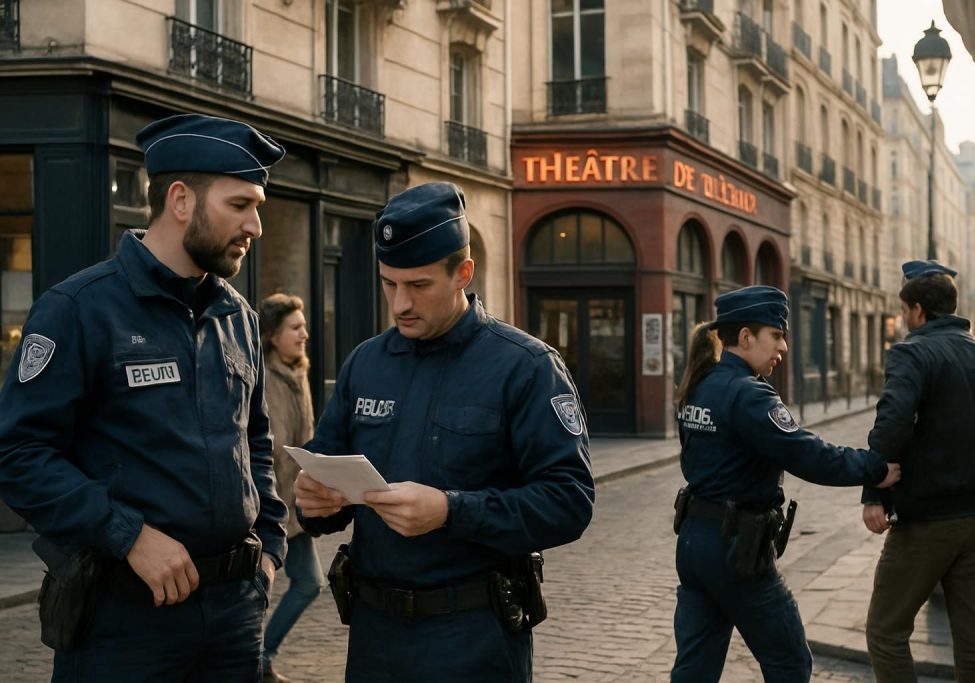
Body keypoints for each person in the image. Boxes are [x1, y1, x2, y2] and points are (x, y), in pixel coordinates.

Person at [0, 113, 288, 680]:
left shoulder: (240, 318)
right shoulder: (79, 308)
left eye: (258, 208)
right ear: (180, 200)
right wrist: (126, 534)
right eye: (240, 205)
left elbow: (254, 438)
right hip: (124, 620)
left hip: (234, 615)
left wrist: (271, 545)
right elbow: (18, 455)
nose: (255, 225)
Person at [293, 181, 595, 682]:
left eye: (419, 285)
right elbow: (326, 475)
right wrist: (316, 501)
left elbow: (568, 502)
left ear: (463, 273)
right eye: (389, 283)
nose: (400, 304)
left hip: (473, 637)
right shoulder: (365, 363)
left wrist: (451, 512)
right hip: (374, 637)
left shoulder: (525, 366)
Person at [671, 285, 901, 682]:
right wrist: (874, 468)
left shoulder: (701, 384)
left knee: (694, 669)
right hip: (734, 549)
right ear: (745, 337)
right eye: (776, 336)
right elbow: (808, 455)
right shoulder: (749, 394)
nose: (783, 348)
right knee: (789, 661)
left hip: (694, 542)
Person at [862, 260, 975, 682]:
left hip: (928, 521)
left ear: (917, 311)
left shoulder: (912, 353)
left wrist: (873, 492)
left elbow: (892, 424)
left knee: (885, 630)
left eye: (903, 310)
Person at [258, 293, 323, 683]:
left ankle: (260, 653)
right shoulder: (263, 379)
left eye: (303, 326)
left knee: (310, 582)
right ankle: (249, 657)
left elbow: (306, 441)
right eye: (295, 328)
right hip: (268, 507)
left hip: (295, 506)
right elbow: (269, 450)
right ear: (273, 337)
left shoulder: (299, 372)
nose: (304, 334)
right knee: (255, 591)